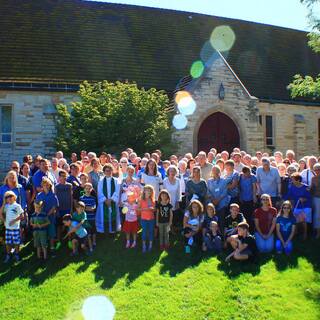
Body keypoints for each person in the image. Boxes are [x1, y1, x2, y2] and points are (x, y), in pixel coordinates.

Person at [285, 172, 311, 240]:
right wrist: (283, 200)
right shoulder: (292, 187)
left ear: (298, 180)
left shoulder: (306, 187)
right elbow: (288, 195)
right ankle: (295, 233)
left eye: (293, 179)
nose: (291, 181)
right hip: (297, 206)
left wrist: (303, 199)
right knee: (295, 219)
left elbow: (309, 197)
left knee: (304, 220)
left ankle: (305, 234)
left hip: (306, 206)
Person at [0, 191, 24, 263]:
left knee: (16, 242)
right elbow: (0, 212)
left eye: (10, 196)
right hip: (8, 228)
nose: (9, 198)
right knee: (8, 242)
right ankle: (8, 254)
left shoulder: (17, 206)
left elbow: (22, 216)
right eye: (7, 197)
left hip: (15, 228)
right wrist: (4, 203)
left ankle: (16, 254)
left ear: (14, 197)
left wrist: (14, 221)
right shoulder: (6, 206)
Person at [35, 178, 59, 252]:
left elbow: (54, 207)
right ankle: (43, 248)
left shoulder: (53, 195)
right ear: (42, 185)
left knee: (51, 232)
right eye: (44, 185)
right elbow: (36, 205)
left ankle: (52, 247)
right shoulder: (39, 195)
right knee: (43, 233)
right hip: (41, 217)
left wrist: (47, 215)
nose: (46, 186)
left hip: (50, 217)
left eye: (47, 185)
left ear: (50, 185)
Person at [96, 164, 120, 234]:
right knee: (104, 215)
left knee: (113, 214)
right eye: (106, 171)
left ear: (112, 171)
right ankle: (105, 230)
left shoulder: (116, 180)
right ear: (104, 172)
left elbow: (117, 191)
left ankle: (112, 230)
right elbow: (99, 191)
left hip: (113, 201)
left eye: (110, 170)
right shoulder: (101, 181)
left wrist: (111, 199)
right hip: (104, 202)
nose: (108, 172)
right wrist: (105, 199)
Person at [207, 165, 230, 232]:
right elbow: (208, 191)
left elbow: (225, 192)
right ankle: (212, 234)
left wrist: (218, 200)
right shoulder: (209, 181)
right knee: (212, 220)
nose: (215, 172)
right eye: (213, 170)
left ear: (219, 171)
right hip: (212, 203)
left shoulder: (224, 181)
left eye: (216, 170)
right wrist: (213, 199)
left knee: (221, 220)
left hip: (222, 203)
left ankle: (222, 235)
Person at [55, 170, 73, 249]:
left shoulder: (69, 185)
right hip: (60, 209)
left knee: (69, 225)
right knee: (59, 226)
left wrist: (71, 208)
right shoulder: (56, 186)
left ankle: (69, 240)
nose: (63, 177)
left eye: (64, 176)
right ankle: (58, 241)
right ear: (59, 177)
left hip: (67, 208)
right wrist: (56, 209)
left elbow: (71, 197)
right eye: (61, 176)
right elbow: (55, 198)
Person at [138, 185, 156, 253]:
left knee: (151, 231)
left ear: (152, 192)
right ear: (144, 191)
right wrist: (145, 209)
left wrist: (152, 209)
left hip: (151, 219)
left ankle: (150, 245)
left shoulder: (152, 200)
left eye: (150, 191)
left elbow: (154, 210)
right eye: (146, 190)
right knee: (144, 232)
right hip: (144, 219)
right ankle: (144, 245)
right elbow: (138, 208)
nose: (148, 192)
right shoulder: (141, 200)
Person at [163, 165, 181, 230]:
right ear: (168, 172)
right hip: (166, 201)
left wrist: (178, 201)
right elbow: (163, 191)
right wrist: (164, 201)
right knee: (167, 215)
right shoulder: (165, 180)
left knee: (174, 215)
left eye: (174, 171)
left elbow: (179, 192)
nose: (172, 172)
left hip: (175, 200)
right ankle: (167, 229)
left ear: (176, 172)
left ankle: (172, 228)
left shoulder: (178, 181)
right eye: (171, 171)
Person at [80, 183, 97, 248]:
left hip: (92, 218)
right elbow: (81, 209)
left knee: (93, 231)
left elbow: (93, 208)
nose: (87, 190)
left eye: (89, 188)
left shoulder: (93, 198)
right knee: (87, 232)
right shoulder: (81, 198)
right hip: (85, 219)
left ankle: (94, 242)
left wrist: (85, 208)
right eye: (86, 188)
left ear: (91, 189)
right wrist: (88, 208)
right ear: (84, 189)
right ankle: (87, 243)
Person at [310, 163, 320, 239]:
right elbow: (311, 189)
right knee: (316, 215)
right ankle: (317, 232)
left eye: (318, 169)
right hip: (316, 198)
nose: (317, 171)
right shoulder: (313, 178)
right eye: (315, 169)